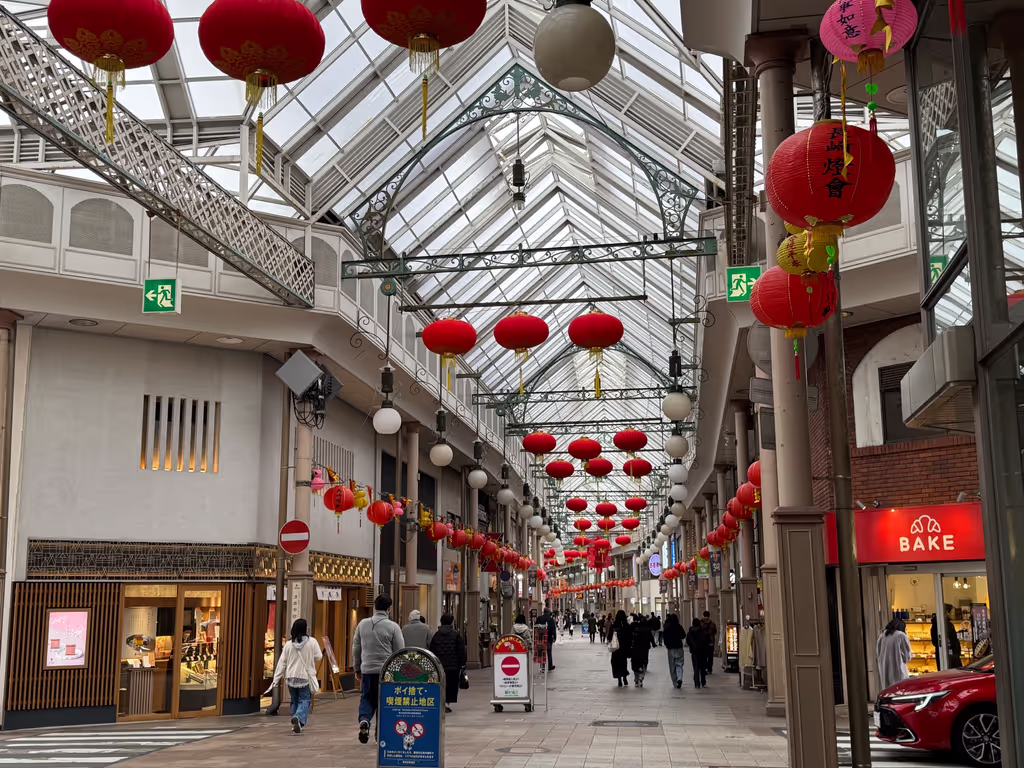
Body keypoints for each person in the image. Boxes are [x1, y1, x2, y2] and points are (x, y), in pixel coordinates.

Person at [353, 593, 405, 744]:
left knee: (367, 698)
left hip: (367, 669)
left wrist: (357, 668)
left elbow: (356, 648)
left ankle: (364, 720)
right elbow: (399, 651)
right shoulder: (393, 627)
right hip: (386, 672)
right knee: (385, 702)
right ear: (389, 609)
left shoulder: (362, 624)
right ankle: (379, 735)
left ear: (374, 606)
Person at [271, 618, 322, 734]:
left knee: (294, 700)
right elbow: (319, 656)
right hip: (304, 677)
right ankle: (298, 718)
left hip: (290, 677)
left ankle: (296, 723)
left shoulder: (288, 644)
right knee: (305, 699)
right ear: (305, 629)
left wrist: (276, 679)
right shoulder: (312, 642)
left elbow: (282, 662)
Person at [428, 614, 466, 713]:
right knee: (451, 685)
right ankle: (447, 702)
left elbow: (432, 649)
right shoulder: (456, 634)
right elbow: (461, 650)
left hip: (440, 665)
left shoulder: (436, 634)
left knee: (441, 684)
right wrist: (462, 663)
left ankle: (442, 703)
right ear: (451, 622)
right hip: (453, 666)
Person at [876, 616, 912, 690]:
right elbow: (906, 658)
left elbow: (878, 654)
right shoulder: (901, 635)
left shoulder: (882, 636)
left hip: (885, 672)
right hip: (899, 672)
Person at [931, 603, 963, 669]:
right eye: (952, 612)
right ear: (947, 613)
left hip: (948, 655)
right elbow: (936, 641)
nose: (953, 614)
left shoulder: (948, 625)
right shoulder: (941, 625)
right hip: (948, 655)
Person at [609, 610, 632, 687]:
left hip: (616, 649)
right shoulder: (626, 626)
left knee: (616, 663)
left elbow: (609, 636)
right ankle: (624, 677)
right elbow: (630, 637)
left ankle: (619, 680)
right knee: (623, 663)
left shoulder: (614, 625)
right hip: (624, 648)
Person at [630, 617, 655, 687]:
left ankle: (636, 679)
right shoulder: (647, 630)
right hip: (644, 649)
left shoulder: (635, 629)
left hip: (635, 649)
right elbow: (651, 637)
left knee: (635, 664)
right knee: (643, 663)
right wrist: (653, 643)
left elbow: (631, 639)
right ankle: (641, 678)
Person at [663, 614, 685, 689]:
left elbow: (665, 638)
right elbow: (683, 635)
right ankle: (680, 678)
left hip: (671, 648)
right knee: (679, 664)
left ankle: (675, 682)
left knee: (672, 666)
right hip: (679, 647)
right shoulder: (679, 626)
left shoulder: (667, 628)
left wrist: (667, 645)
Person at [686, 618, 708, 689]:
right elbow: (705, 640)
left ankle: (697, 683)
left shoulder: (690, 632)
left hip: (694, 652)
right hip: (702, 652)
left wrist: (692, 647)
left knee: (696, 668)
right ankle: (703, 682)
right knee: (702, 667)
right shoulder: (702, 631)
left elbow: (688, 641)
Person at [700, 610, 718, 675]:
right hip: (711, 642)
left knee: (704, 656)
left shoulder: (701, 623)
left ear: (703, 615)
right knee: (710, 657)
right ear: (709, 616)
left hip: (703, 643)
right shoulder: (712, 624)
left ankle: (704, 668)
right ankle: (709, 669)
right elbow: (715, 632)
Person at [540, 606, 557, 671]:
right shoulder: (551, 619)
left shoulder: (540, 618)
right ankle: (550, 666)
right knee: (549, 652)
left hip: (541, 638)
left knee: (541, 652)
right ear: (549, 612)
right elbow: (553, 629)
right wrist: (555, 637)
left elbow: (536, 627)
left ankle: (542, 667)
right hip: (549, 638)